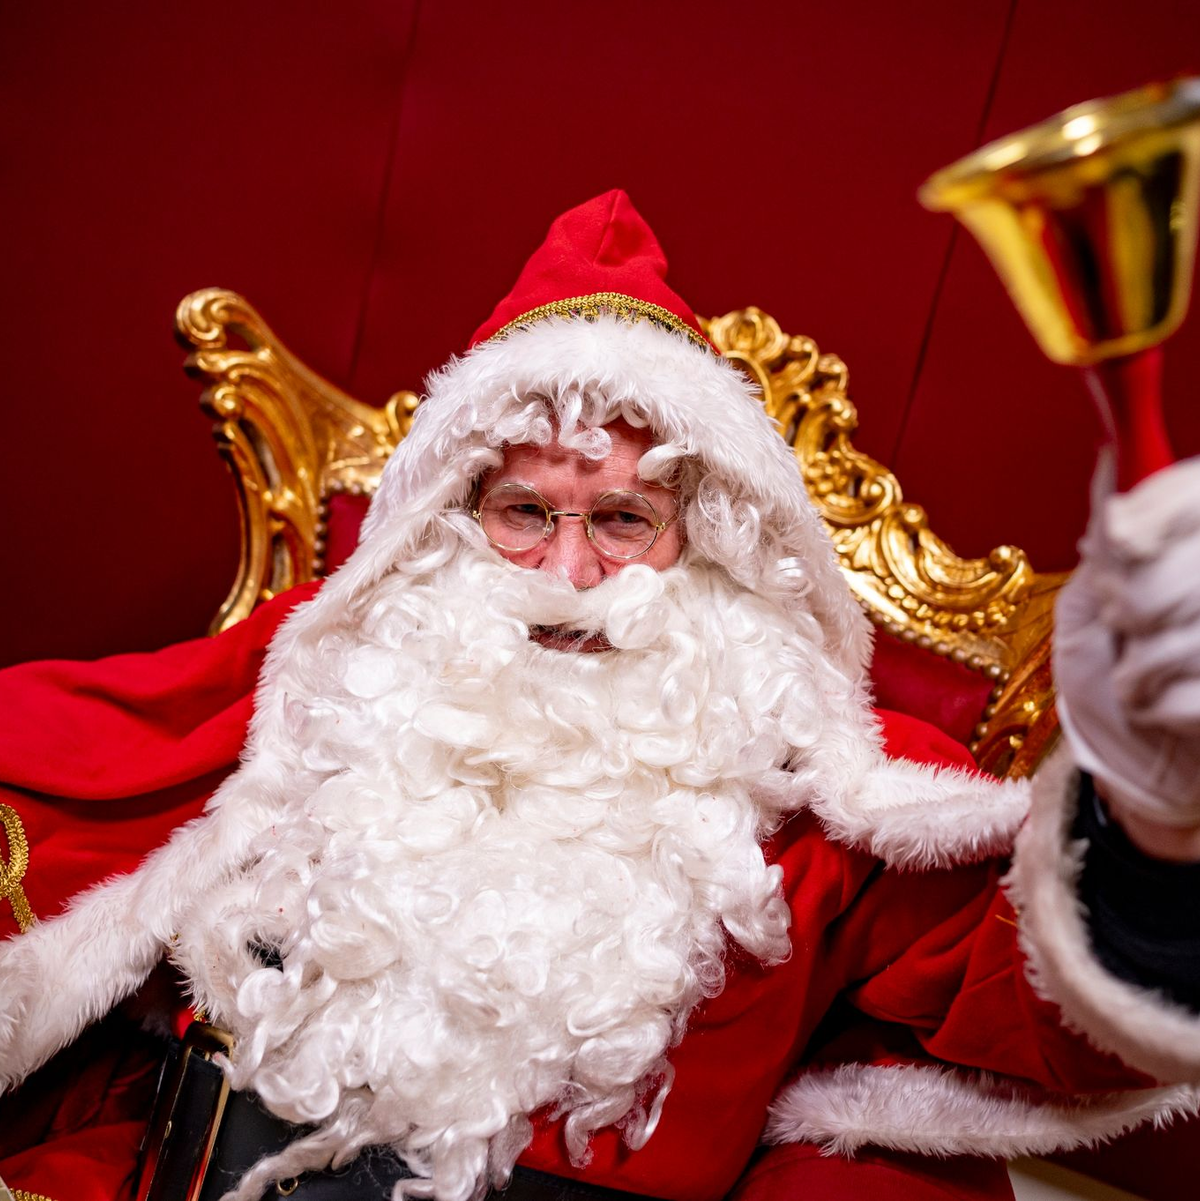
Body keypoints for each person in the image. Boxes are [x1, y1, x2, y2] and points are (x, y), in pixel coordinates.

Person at [1, 189, 1200, 1201]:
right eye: (525, 513)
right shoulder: (332, 667)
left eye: (625, 520)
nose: (568, 577)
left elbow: (1049, 1008)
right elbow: (71, 750)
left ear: (707, 536)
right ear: (456, 512)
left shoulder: (827, 782)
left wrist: (1152, 814)